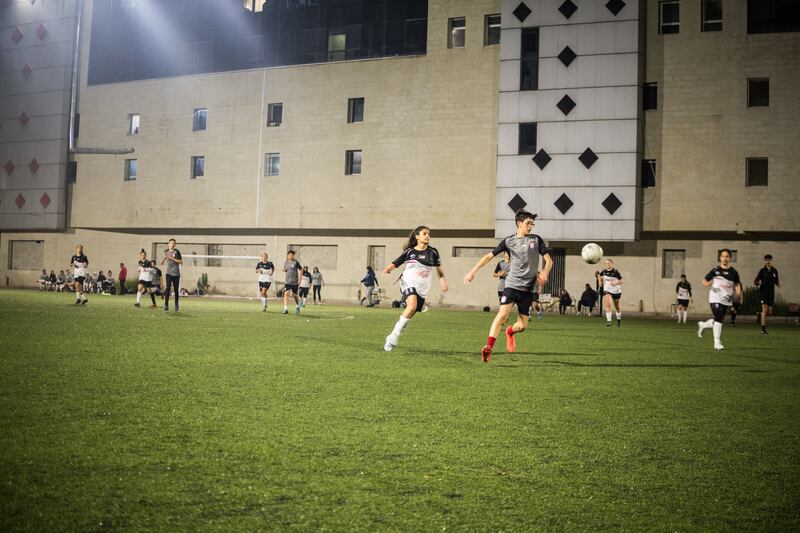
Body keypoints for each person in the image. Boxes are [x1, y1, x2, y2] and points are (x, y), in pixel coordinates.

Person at [464, 210, 553, 362]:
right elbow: (488, 256)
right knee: (503, 314)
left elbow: (549, 260)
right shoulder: (508, 241)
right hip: (512, 285)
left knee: (523, 326)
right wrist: (472, 272)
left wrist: (545, 272)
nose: (530, 227)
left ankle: (510, 332)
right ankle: (489, 347)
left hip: (528, 288)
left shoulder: (537, 240)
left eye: (532, 224)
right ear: (519, 223)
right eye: (528, 223)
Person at [383, 225, 448, 351]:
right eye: (424, 233)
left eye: (429, 234)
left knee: (411, 311)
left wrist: (442, 280)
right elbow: (397, 262)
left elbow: (439, 268)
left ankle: (396, 332)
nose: (427, 236)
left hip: (423, 286)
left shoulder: (433, 252)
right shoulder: (410, 252)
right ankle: (393, 337)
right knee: (411, 306)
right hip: (408, 282)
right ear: (417, 236)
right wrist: (388, 269)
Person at [698, 248, 742, 351]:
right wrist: (708, 283)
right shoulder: (715, 270)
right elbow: (704, 281)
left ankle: (703, 325)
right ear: (720, 258)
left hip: (726, 299)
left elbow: (737, 283)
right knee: (718, 318)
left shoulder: (733, 272)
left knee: (718, 320)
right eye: (722, 256)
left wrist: (738, 293)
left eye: (727, 256)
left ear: (730, 258)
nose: (724, 258)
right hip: (714, 297)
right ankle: (717, 343)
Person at [754, 254, 780, 335]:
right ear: (765, 261)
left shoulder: (774, 270)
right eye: (767, 260)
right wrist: (757, 283)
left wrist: (778, 284)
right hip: (763, 293)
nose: (768, 261)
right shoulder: (762, 270)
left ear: (771, 261)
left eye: (769, 260)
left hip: (771, 293)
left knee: (769, 311)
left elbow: (776, 281)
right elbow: (756, 280)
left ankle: (762, 319)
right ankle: (763, 329)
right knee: (764, 310)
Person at [598, 259, 623, 327]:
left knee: (617, 307)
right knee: (608, 304)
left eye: (609, 263)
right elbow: (599, 276)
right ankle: (609, 321)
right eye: (606, 263)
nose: (608, 264)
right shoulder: (603, 271)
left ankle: (618, 320)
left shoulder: (615, 272)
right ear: (605, 264)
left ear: (611, 264)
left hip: (616, 291)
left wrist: (615, 283)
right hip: (607, 290)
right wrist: (600, 282)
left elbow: (621, 280)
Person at [161, 239, 183, 312]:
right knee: (168, 288)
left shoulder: (177, 252)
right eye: (171, 243)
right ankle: (166, 305)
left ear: (175, 244)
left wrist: (172, 259)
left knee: (176, 290)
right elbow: (166, 256)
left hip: (176, 273)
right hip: (168, 273)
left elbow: (181, 261)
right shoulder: (166, 251)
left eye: (174, 243)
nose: (172, 244)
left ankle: (176, 304)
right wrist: (163, 261)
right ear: (168, 244)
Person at [282, 250, 302, 314]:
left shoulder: (296, 262)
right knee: (286, 293)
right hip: (287, 282)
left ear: (293, 256)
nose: (291, 256)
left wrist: (300, 279)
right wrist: (284, 270)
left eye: (292, 255)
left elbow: (301, 269)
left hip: (295, 282)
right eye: (290, 255)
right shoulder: (286, 263)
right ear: (288, 255)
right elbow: (286, 269)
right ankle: (285, 309)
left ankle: (298, 306)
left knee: (295, 295)